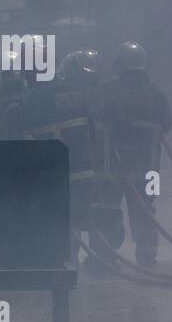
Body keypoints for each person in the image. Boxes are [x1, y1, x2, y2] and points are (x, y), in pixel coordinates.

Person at [25, 49, 121, 270]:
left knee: (64, 219)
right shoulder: (98, 95)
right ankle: (104, 260)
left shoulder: (42, 95)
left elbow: (23, 121)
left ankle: (65, 267)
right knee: (97, 213)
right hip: (97, 170)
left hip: (60, 170)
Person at [104, 42, 172, 267]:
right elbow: (168, 123)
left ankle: (104, 258)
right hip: (149, 171)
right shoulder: (155, 94)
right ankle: (147, 259)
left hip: (114, 167)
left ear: (120, 64)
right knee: (145, 212)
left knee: (109, 211)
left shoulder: (111, 92)